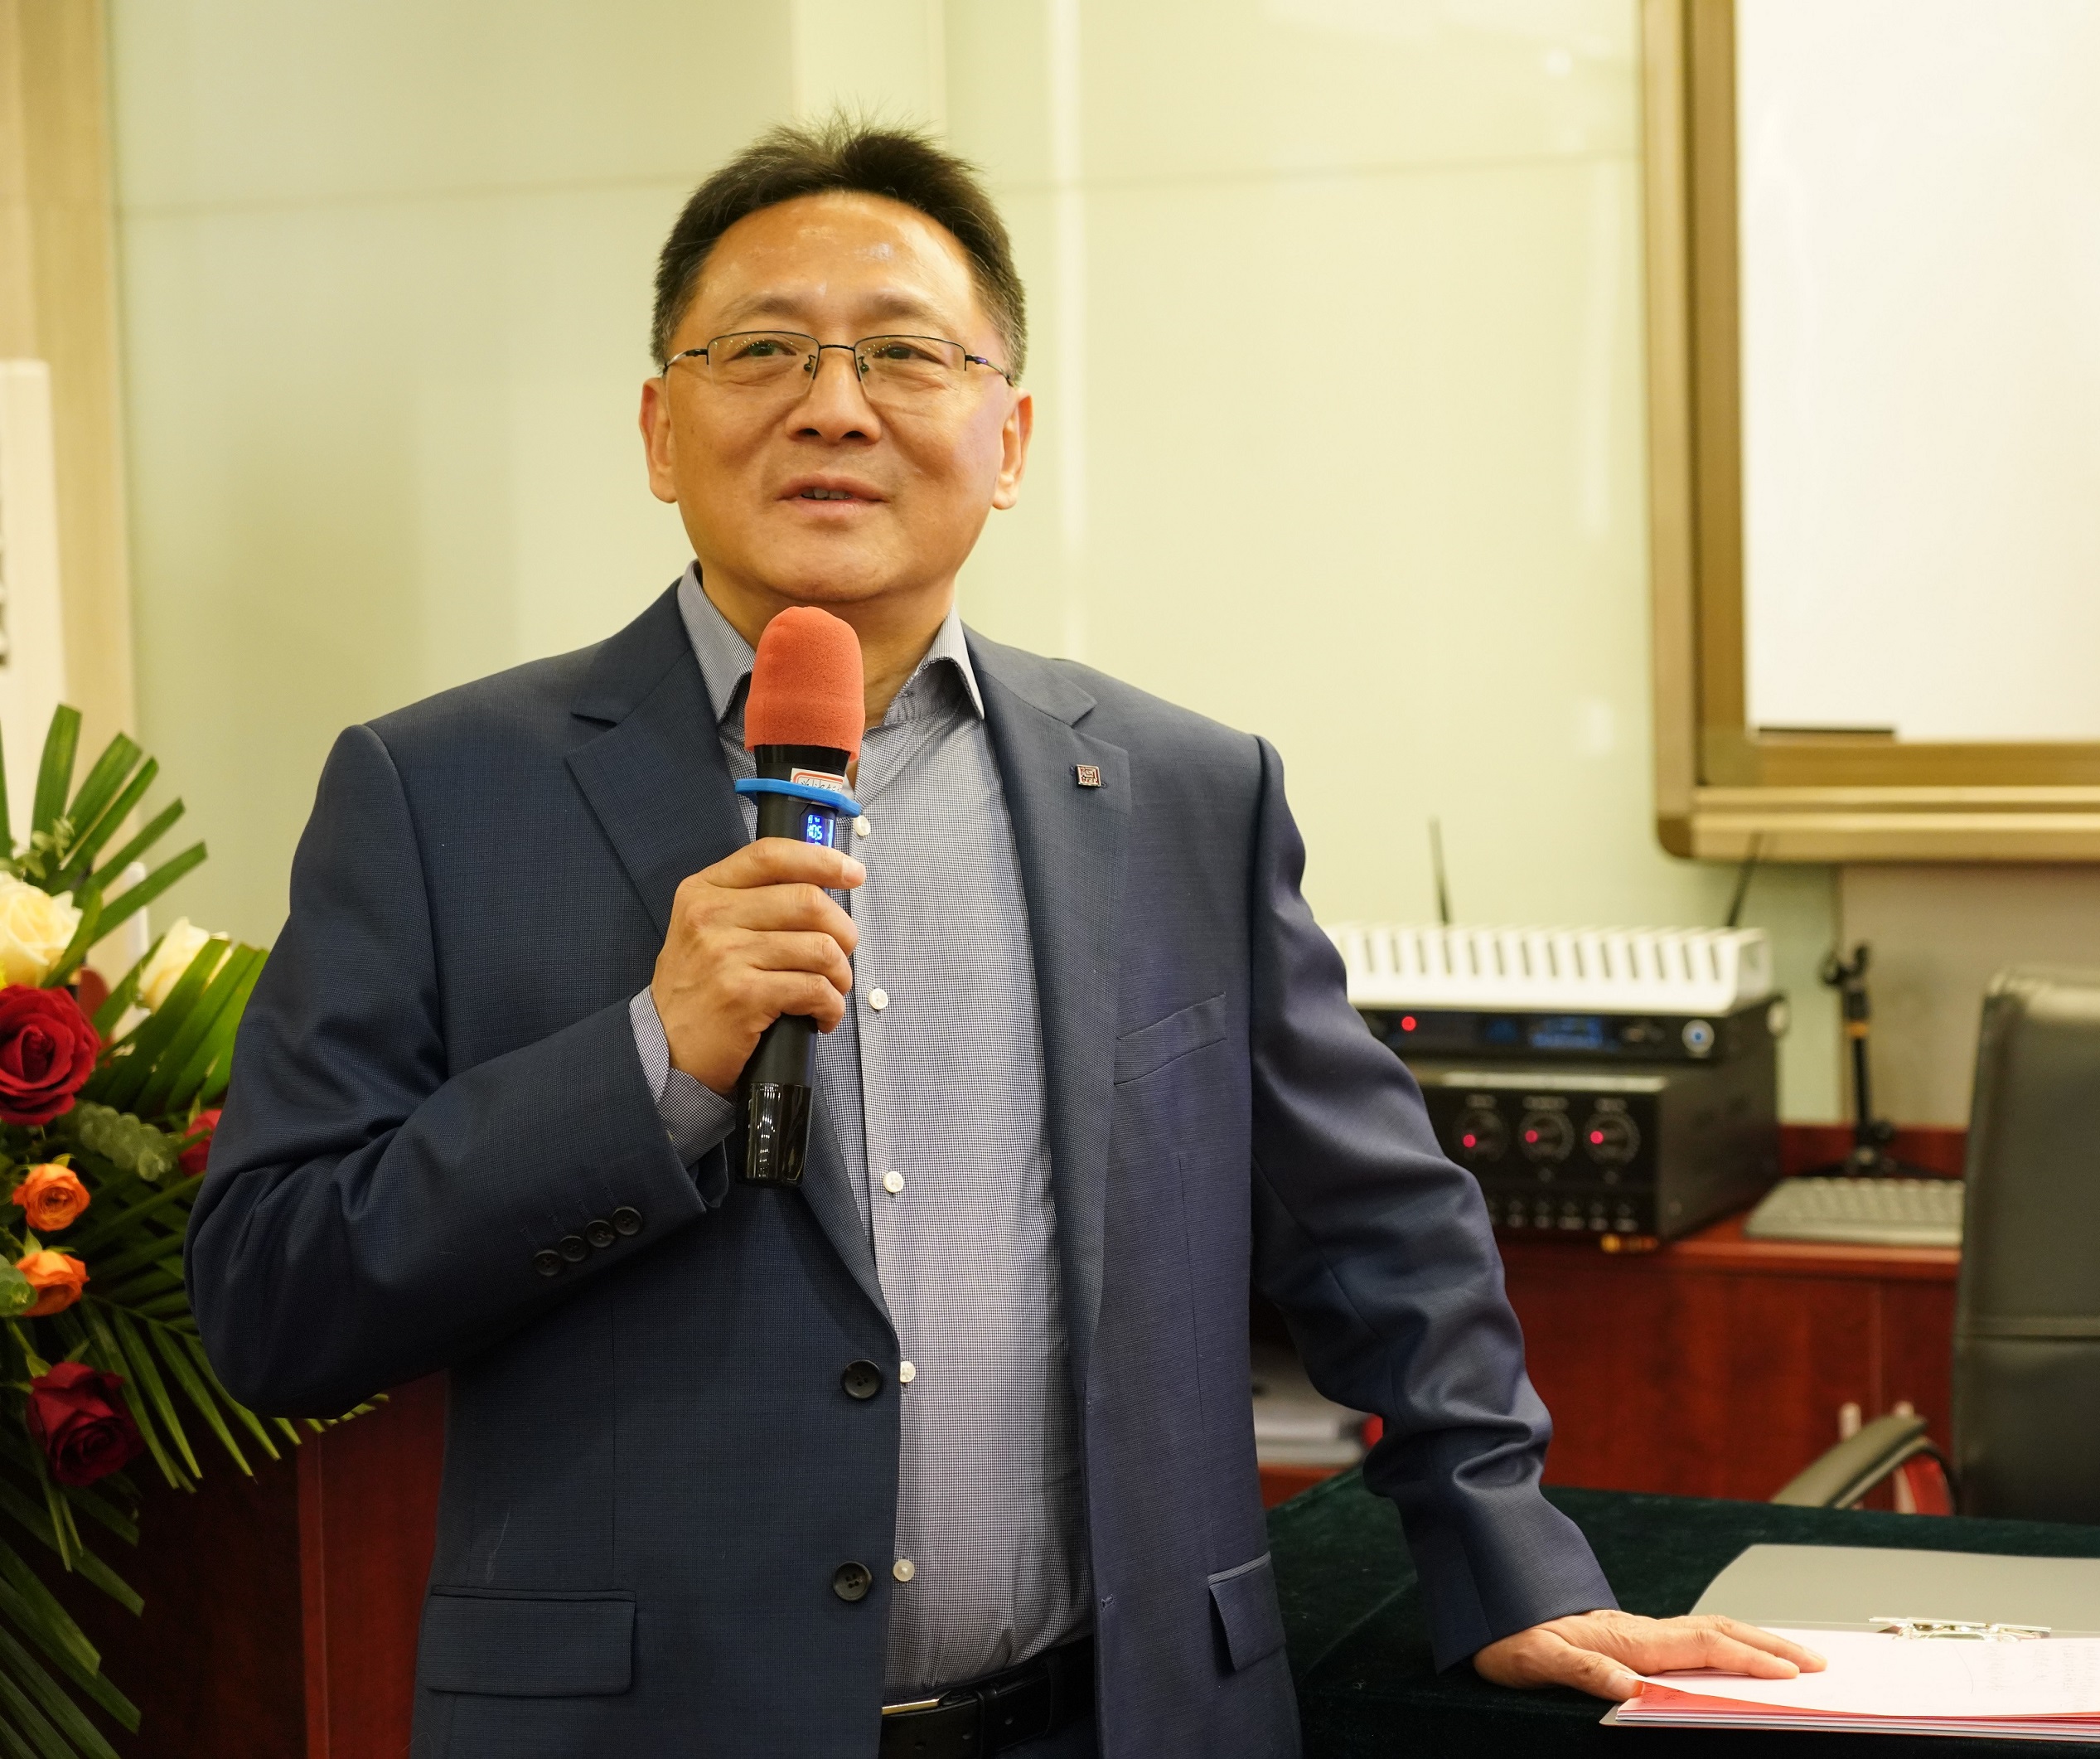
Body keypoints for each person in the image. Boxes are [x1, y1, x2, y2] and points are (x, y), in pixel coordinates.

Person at [184, 121, 1819, 1757]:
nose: (835, 404)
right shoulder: (439, 791)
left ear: (1010, 436)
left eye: (904, 353)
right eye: (761, 349)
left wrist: (1503, 1553)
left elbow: (1373, 1221)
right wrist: (646, 1066)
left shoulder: (1183, 789)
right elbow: (272, 1294)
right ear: (659, 429)